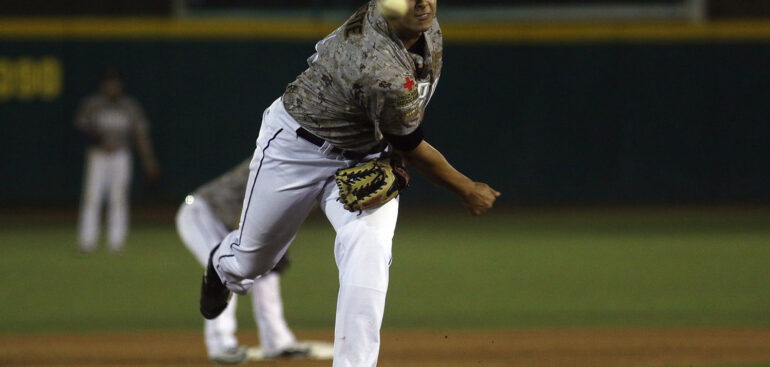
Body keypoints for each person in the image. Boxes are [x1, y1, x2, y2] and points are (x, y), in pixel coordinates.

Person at [199, 1, 500, 366]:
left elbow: (407, 115)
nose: (422, 2)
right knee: (252, 260)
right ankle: (221, 265)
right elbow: (413, 146)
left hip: (365, 153)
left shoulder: (423, 26)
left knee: (368, 252)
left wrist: (388, 147)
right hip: (297, 149)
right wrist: (466, 189)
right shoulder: (376, 61)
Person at [176, 159, 318, 364]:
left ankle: (277, 342)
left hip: (231, 222)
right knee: (225, 270)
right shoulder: (277, 161)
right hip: (202, 213)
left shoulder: (309, 173)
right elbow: (248, 212)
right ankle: (221, 345)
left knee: (267, 274)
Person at [75, 68, 159, 253]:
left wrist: (149, 161)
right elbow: (81, 129)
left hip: (121, 155)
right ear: (103, 85)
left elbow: (140, 135)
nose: (112, 86)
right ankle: (87, 241)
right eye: (109, 82)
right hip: (97, 155)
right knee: (92, 196)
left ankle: (116, 241)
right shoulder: (93, 104)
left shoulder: (129, 106)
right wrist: (100, 141)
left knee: (118, 198)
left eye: (115, 82)